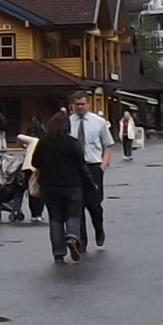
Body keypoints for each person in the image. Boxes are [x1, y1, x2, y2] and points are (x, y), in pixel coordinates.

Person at [32, 105, 88, 263]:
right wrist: (90, 182)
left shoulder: (43, 143)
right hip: (72, 185)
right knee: (73, 214)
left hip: (49, 185)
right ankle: (72, 237)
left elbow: (35, 162)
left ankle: (58, 252)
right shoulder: (73, 143)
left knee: (55, 218)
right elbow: (81, 166)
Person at [71, 91, 112, 249]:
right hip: (74, 167)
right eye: (77, 104)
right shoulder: (68, 122)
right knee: (77, 205)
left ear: (88, 104)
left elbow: (108, 145)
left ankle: (99, 230)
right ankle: (81, 240)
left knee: (94, 204)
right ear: (73, 105)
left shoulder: (98, 122)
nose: (80, 107)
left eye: (82, 104)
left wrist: (103, 166)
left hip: (93, 165)